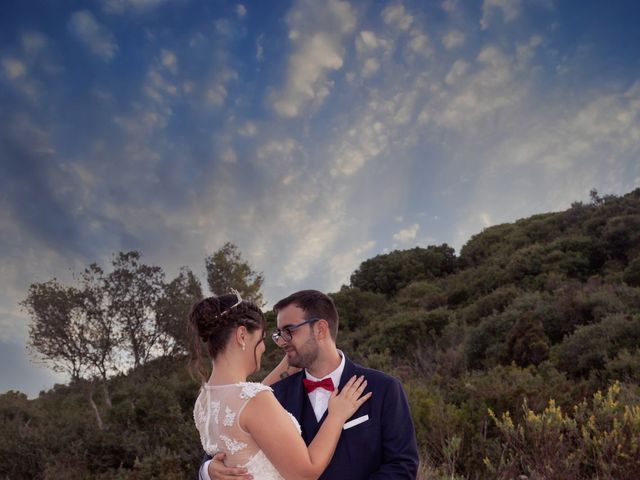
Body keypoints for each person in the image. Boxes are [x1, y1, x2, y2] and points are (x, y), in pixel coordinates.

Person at [203, 289, 419, 480]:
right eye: (279, 334)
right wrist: (208, 470)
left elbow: (402, 465)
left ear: (320, 329)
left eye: (290, 330)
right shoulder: (271, 395)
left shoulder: (384, 388)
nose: (282, 341)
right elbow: (222, 444)